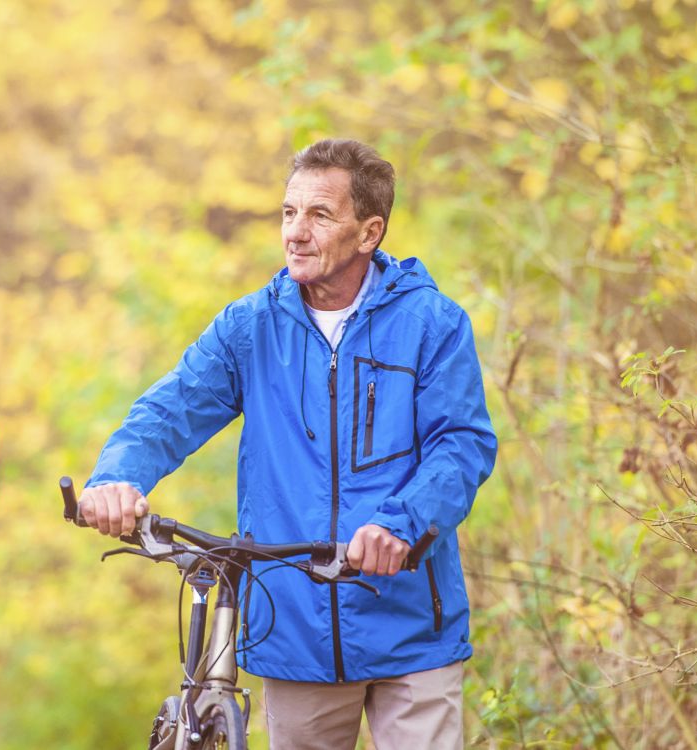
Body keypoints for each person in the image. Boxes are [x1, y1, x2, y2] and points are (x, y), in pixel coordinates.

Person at [77, 139, 496, 749]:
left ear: (369, 232)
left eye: (320, 215)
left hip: (409, 624)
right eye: (288, 212)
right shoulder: (251, 326)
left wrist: (401, 525)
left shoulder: (432, 323)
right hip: (294, 628)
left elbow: (461, 445)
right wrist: (116, 477)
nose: (296, 232)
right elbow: (167, 412)